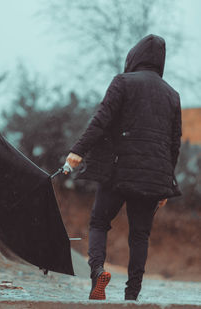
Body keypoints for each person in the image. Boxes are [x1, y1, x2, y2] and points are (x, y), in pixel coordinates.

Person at [64, 34, 182, 301]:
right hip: (153, 178)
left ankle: (97, 272)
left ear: (135, 56)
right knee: (140, 235)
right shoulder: (172, 95)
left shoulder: (123, 82)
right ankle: (132, 294)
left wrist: (77, 151)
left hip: (118, 172)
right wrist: (167, 184)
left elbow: (101, 121)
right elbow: (174, 145)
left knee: (99, 222)